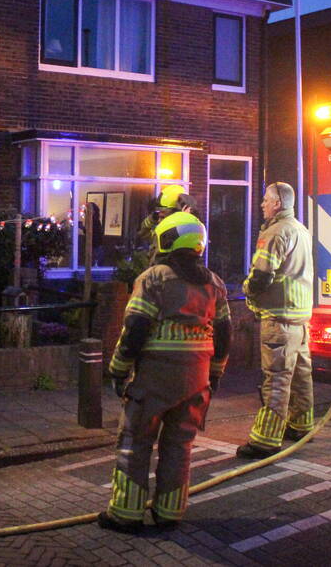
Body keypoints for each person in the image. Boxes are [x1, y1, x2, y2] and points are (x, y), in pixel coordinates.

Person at [99, 212, 231, 532]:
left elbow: (135, 329)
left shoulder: (154, 278)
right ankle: (169, 513)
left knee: (135, 441)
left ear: (166, 240)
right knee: (179, 445)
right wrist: (214, 374)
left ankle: (126, 514)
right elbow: (224, 335)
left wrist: (118, 370)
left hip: (155, 378)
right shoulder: (215, 283)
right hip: (197, 379)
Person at [237, 182, 315, 459]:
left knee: (278, 378)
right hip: (301, 319)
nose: (262, 204)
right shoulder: (300, 229)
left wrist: (246, 290)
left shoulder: (275, 232)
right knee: (301, 375)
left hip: (279, 318)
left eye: (266, 200)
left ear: (278, 203)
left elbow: (262, 276)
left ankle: (266, 440)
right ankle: (302, 424)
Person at [136, 186, 198, 264]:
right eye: (158, 216)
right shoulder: (162, 233)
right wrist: (151, 219)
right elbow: (143, 233)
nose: (159, 221)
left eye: (163, 216)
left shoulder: (182, 234)